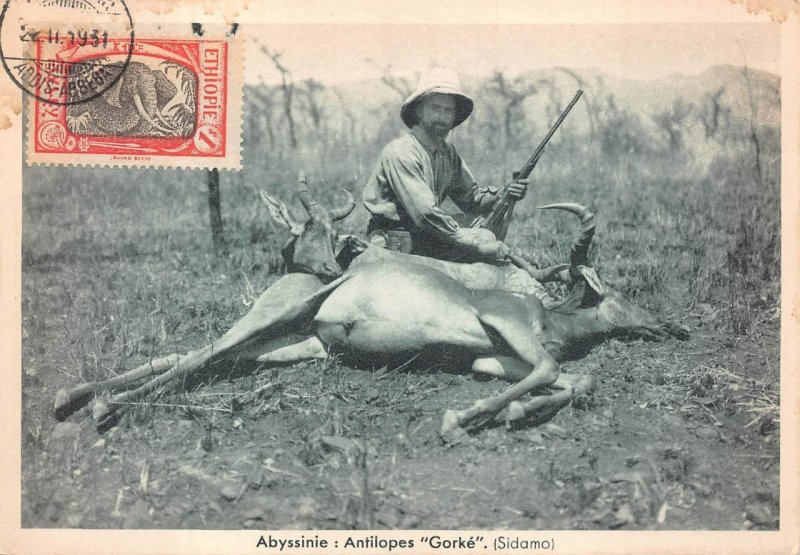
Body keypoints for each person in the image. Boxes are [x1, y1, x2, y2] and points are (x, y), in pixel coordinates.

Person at [362, 67, 528, 262]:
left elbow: (471, 198)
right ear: (419, 110)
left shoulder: (447, 153)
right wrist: (473, 241)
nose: (442, 116)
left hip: (425, 235)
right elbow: (425, 215)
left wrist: (505, 192)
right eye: (435, 108)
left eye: (448, 110)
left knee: (487, 222)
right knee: (483, 237)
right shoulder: (401, 152)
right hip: (396, 241)